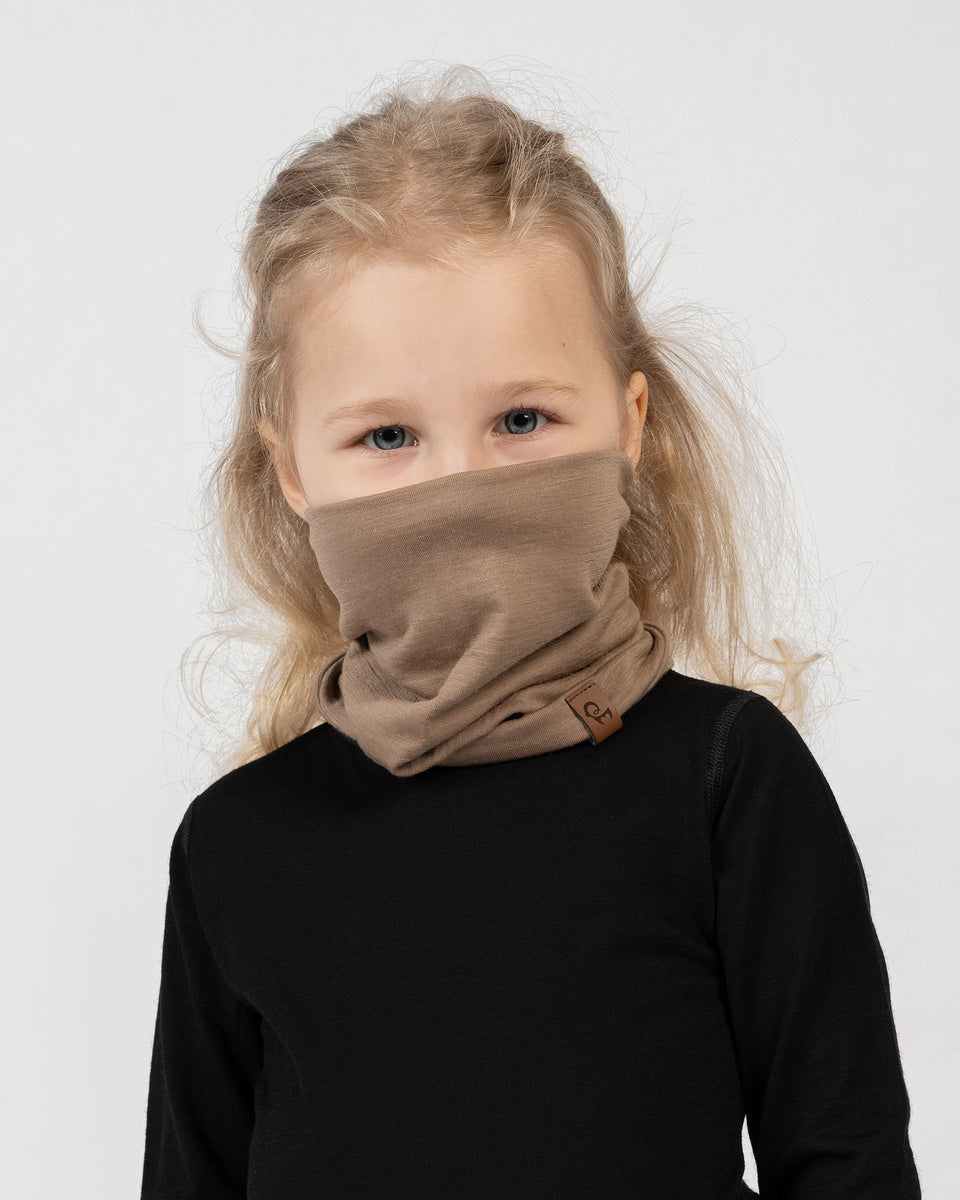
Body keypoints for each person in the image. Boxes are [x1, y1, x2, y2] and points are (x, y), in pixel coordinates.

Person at [139, 65, 922, 1199]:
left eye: (521, 418)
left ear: (630, 423)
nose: (458, 489)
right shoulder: (237, 844)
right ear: (292, 470)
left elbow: (846, 1165)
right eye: (387, 437)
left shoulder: (724, 780)